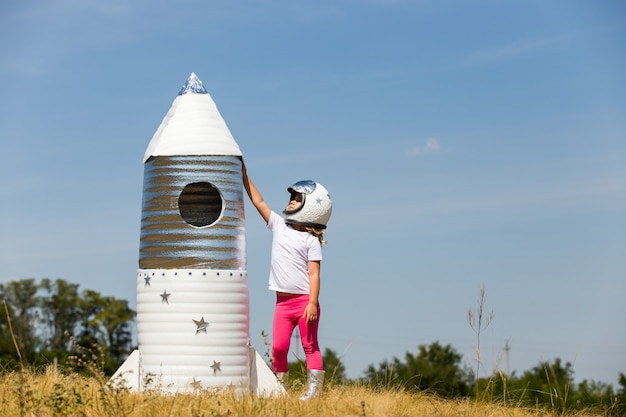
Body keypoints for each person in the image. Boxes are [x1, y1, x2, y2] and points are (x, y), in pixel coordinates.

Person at [241, 161, 332, 400]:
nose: (290, 201)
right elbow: (259, 202)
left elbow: (314, 274)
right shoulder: (279, 226)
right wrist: (244, 176)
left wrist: (312, 303)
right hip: (281, 304)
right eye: (291, 198)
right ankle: (279, 388)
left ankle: (315, 391)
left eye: (296, 199)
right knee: (279, 348)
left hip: (304, 303)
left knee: (309, 345)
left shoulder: (311, 241)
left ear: (310, 208)